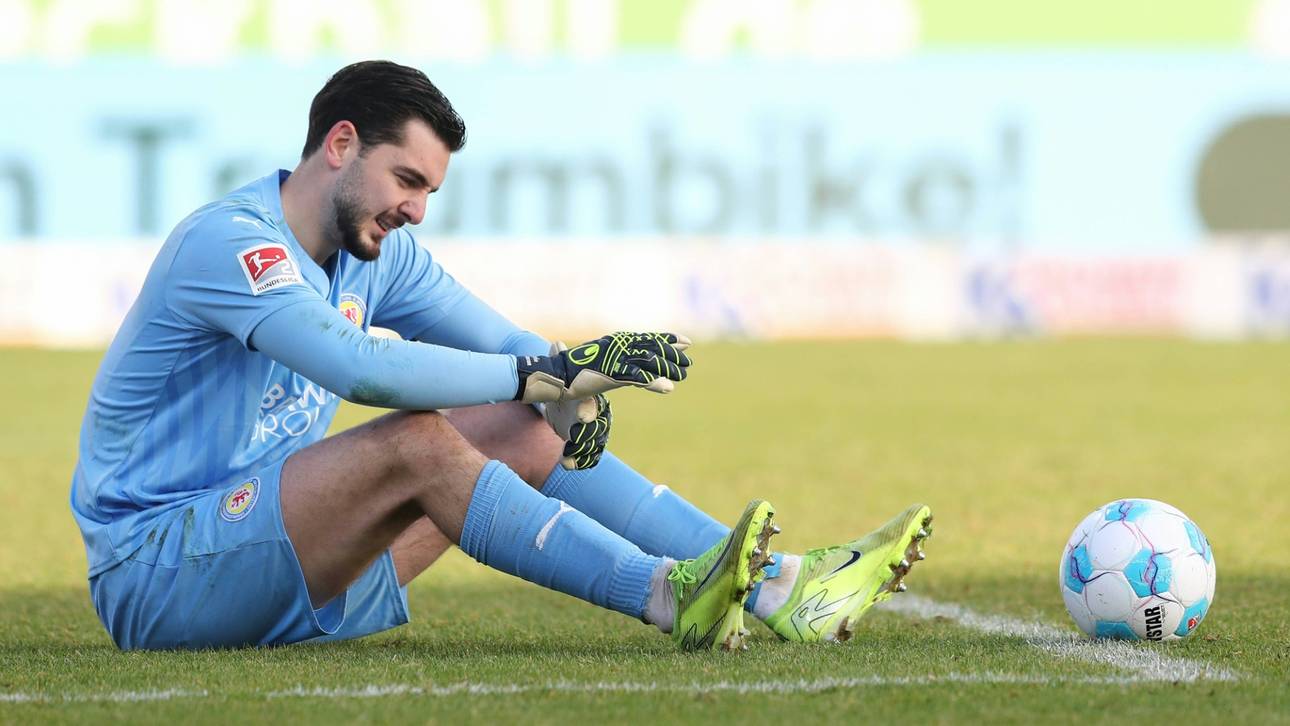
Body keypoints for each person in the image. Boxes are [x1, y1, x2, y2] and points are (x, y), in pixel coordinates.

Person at [71, 60, 932, 652]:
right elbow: (360, 370)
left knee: (518, 426)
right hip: (158, 572)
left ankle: (778, 586)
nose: (415, 209)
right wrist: (540, 374)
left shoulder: (378, 252)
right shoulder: (231, 244)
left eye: (430, 193)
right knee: (416, 439)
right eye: (407, 180)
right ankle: (671, 598)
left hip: (282, 552)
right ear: (340, 146)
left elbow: (508, 349)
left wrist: (570, 383)